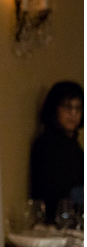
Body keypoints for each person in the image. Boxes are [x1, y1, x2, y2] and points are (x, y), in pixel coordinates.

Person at [29, 80, 84, 224]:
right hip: (54, 222)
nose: (73, 113)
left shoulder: (74, 145)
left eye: (78, 108)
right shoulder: (46, 144)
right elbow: (54, 191)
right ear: (55, 108)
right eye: (67, 107)